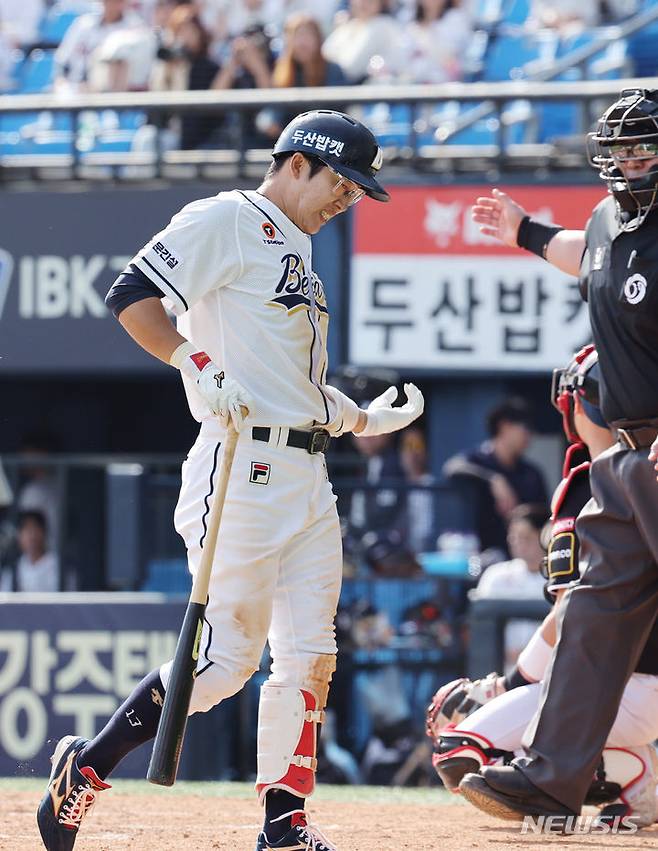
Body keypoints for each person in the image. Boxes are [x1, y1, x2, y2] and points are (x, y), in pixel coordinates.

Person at [37, 109, 424, 851]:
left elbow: (289, 385)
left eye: (358, 188)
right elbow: (130, 295)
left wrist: (366, 418)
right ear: (299, 162)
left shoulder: (301, 255)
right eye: (343, 181)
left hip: (309, 471)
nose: (349, 198)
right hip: (240, 463)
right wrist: (195, 361)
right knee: (221, 659)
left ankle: (284, 825)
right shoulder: (228, 218)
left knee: (311, 651)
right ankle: (84, 769)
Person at [444, 86, 658, 824]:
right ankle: (549, 779)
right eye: (620, 150)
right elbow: (586, 253)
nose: (629, 161)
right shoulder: (608, 220)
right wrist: (522, 231)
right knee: (596, 614)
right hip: (624, 462)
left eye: (644, 147)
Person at [429, 347, 658, 827]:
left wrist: (507, 687)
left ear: (581, 404)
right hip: (635, 685)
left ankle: (636, 777)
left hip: (632, 683)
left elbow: (573, 610)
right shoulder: (643, 469)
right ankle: (636, 784)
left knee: (461, 747)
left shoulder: (592, 484)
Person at [443, 398, 548, 557]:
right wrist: (493, 479)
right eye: (525, 428)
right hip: (479, 559)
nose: (529, 435)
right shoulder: (478, 460)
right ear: (505, 426)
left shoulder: (531, 473)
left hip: (522, 560)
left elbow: (545, 517)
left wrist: (522, 514)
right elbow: (451, 468)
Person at [470, 503, 549, 670]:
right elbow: (479, 631)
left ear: (545, 536)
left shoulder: (562, 578)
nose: (518, 543)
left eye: (525, 537)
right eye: (513, 537)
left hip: (547, 672)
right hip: (500, 671)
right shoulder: (496, 575)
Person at [256, 13, 348, 142]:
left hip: (324, 141)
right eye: (297, 35)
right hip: (289, 142)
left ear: (318, 39)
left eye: (308, 35)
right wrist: (270, 122)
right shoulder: (281, 70)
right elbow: (273, 110)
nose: (302, 42)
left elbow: (336, 114)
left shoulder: (333, 70)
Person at [0, 510, 60, 592]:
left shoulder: (58, 566)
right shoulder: (14, 568)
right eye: (26, 530)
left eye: (35, 529)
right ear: (19, 536)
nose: (32, 536)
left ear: (44, 532)